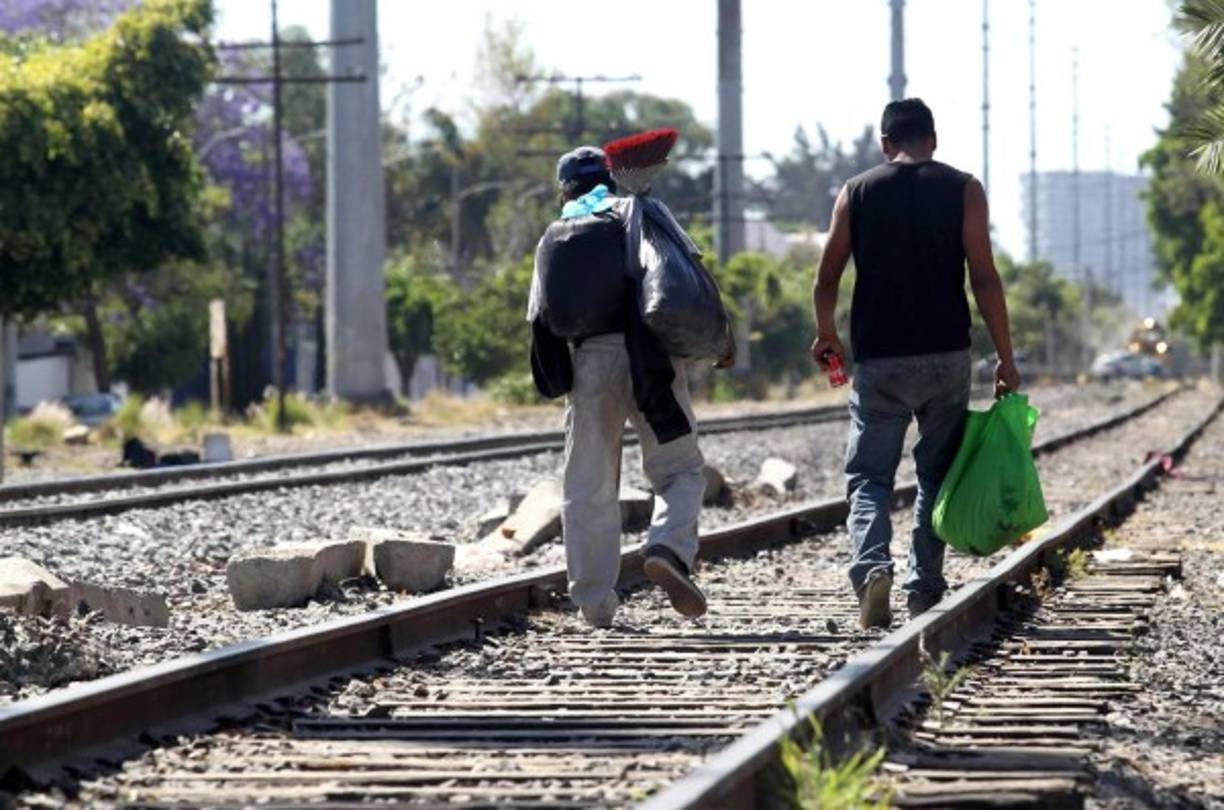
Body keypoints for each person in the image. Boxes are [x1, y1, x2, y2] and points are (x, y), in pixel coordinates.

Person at [810, 98, 1020, 629]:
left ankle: (871, 567)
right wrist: (1005, 356)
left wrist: (826, 333)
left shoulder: (856, 191)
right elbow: (985, 277)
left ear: (885, 144)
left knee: (869, 477)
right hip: (946, 357)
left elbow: (826, 276)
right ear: (934, 139)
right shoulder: (965, 188)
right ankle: (923, 585)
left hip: (879, 361)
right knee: (936, 474)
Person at [528, 145, 728, 628]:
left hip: (589, 364)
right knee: (679, 469)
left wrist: (561, 376)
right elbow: (688, 272)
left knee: (587, 485)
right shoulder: (639, 209)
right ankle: (667, 547)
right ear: (612, 178)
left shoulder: (554, 234)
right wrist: (720, 337)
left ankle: (595, 603)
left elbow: (538, 315)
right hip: (651, 359)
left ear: (564, 189)